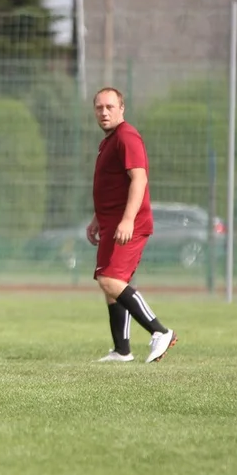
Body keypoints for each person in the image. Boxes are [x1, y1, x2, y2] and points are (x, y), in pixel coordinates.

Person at [87, 87, 177, 364]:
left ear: (121, 109)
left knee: (110, 280)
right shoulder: (109, 140)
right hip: (111, 223)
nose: (104, 112)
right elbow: (112, 186)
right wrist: (97, 219)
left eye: (110, 107)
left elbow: (139, 179)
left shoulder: (127, 136)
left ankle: (160, 331)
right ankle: (122, 350)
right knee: (112, 283)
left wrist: (127, 220)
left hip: (130, 224)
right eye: (99, 107)